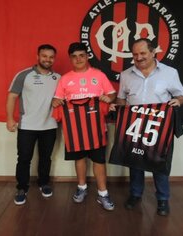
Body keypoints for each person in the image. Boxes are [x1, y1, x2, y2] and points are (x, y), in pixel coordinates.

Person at [116, 38, 183, 216]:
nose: (138, 57)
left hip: (160, 128)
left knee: (160, 164)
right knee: (135, 163)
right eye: (135, 54)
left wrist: (177, 101)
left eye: (142, 53)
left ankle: (163, 199)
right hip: (135, 127)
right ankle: (135, 195)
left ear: (153, 52)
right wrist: (121, 107)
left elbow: (181, 95)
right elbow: (121, 98)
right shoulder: (125, 75)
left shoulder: (170, 73)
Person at [52, 42, 116, 211]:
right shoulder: (65, 79)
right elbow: (56, 101)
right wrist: (56, 102)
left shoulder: (99, 75)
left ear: (87, 56)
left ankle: (103, 193)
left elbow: (112, 94)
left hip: (97, 130)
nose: (78, 59)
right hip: (75, 131)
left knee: (99, 161)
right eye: (74, 56)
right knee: (79, 159)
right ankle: (82, 188)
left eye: (81, 55)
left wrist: (108, 99)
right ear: (70, 59)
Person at [6, 44, 61, 205]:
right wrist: (10, 119)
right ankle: (22, 188)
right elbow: (11, 97)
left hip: (49, 125)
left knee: (46, 158)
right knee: (24, 158)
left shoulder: (58, 78)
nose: (47, 59)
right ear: (38, 57)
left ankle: (43, 183)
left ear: (54, 59)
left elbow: (63, 98)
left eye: (51, 57)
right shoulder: (24, 75)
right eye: (44, 56)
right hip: (27, 126)